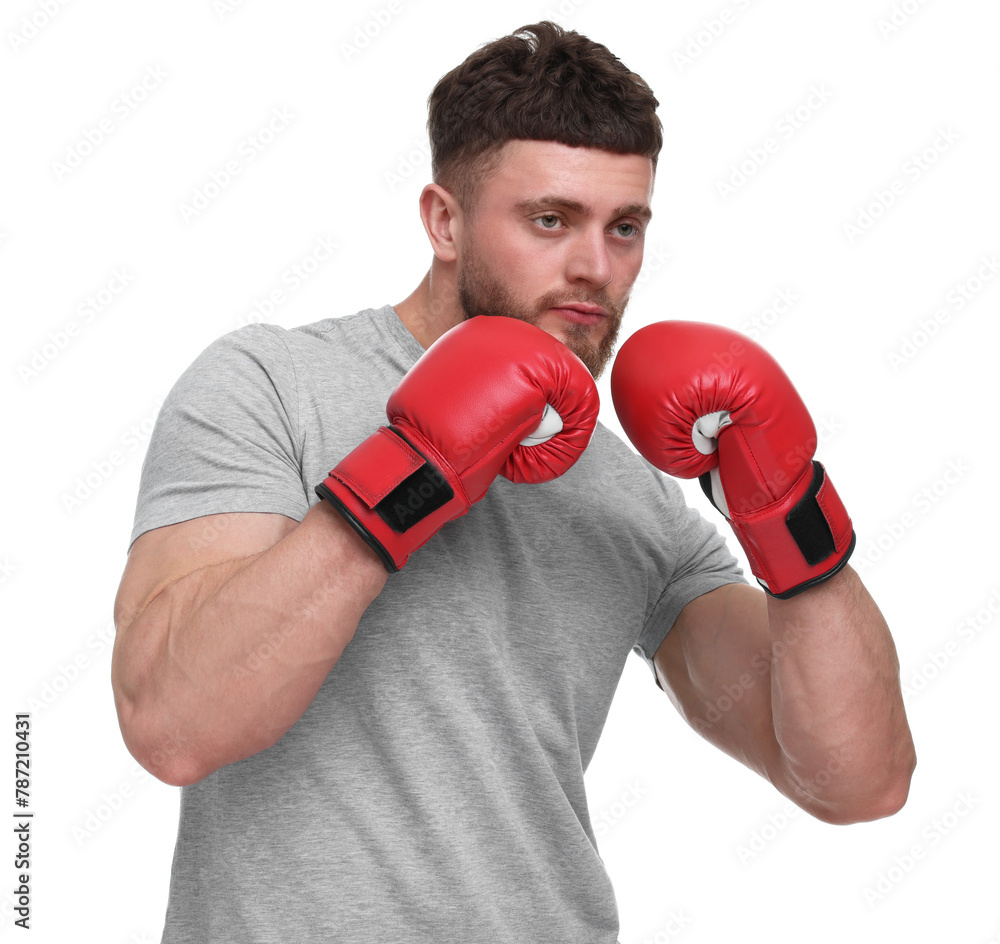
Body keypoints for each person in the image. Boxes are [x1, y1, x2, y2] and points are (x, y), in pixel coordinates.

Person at [111, 21, 916, 944]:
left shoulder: (632, 492)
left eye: (625, 228)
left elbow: (859, 780)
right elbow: (171, 722)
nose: (595, 269)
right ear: (443, 220)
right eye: (550, 220)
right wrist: (412, 470)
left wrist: (787, 509)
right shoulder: (272, 385)